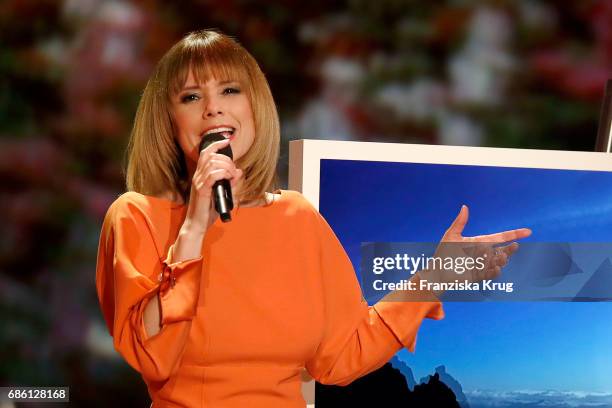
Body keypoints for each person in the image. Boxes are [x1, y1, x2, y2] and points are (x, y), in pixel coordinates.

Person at [95, 29, 531, 408]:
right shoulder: (136, 216)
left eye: (230, 90)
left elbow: (341, 356)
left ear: (254, 108)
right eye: (191, 97)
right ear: (169, 122)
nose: (213, 108)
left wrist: (433, 278)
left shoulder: (297, 216)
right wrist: (194, 227)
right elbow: (149, 355)